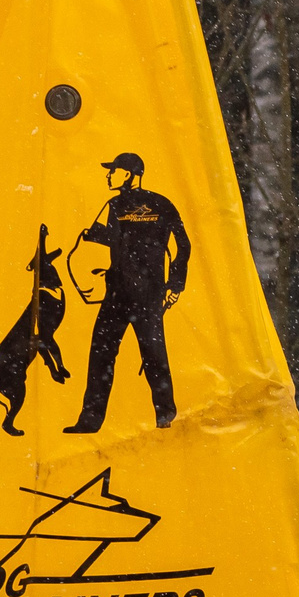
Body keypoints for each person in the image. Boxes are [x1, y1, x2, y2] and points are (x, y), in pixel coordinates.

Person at [63, 152, 191, 432]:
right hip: (132, 293)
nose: (109, 175)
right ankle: (161, 417)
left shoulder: (120, 205)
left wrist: (175, 284)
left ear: (131, 174)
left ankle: (96, 420)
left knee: (121, 355)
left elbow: (183, 244)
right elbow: (183, 245)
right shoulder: (154, 204)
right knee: (135, 354)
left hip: (131, 294)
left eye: (115, 170)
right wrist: (175, 285)